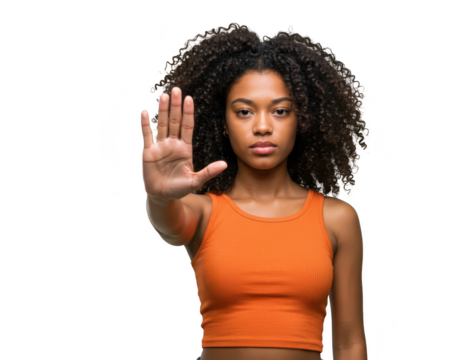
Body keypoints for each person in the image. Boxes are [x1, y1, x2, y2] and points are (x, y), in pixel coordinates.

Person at [142, 23, 369, 360]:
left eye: (280, 111)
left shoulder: (337, 219)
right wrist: (160, 195)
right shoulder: (202, 211)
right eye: (244, 111)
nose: (262, 126)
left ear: (302, 118)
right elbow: (168, 223)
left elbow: (350, 343)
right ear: (223, 122)